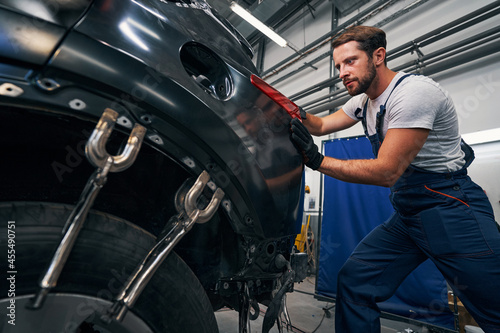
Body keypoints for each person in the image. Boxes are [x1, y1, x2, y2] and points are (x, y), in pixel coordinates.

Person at [290, 25, 500, 332]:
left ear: (378, 56)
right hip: (411, 214)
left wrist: (317, 160)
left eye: (350, 61)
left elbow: (388, 171)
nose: (342, 72)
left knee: (494, 306)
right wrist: (283, 107)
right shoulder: (363, 102)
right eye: (338, 66)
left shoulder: (413, 94)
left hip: (451, 208)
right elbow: (320, 125)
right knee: (355, 282)